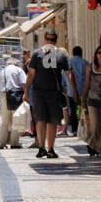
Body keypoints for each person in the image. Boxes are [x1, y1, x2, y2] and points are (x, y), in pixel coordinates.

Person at [24, 31, 77, 159]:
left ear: (56, 41)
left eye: (52, 39)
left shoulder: (61, 54)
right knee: (40, 120)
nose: (50, 42)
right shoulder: (37, 54)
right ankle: (41, 147)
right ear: (44, 39)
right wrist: (26, 91)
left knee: (53, 121)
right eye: (48, 39)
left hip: (54, 92)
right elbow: (31, 74)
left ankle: (51, 149)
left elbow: (68, 73)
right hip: (39, 92)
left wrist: (74, 90)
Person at [0, 55, 27, 149]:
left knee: (4, 122)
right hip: (16, 96)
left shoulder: (3, 71)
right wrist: (26, 95)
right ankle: (14, 143)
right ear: (16, 63)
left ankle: (1, 143)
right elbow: (24, 84)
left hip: (4, 95)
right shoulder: (19, 70)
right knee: (16, 120)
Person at [65, 45, 89, 139]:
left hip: (71, 90)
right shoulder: (85, 63)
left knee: (73, 110)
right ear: (81, 53)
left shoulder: (68, 62)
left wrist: (64, 86)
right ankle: (84, 127)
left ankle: (75, 129)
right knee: (83, 109)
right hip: (83, 90)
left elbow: (65, 75)